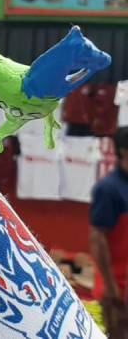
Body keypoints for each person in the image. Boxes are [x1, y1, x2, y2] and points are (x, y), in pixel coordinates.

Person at [90, 126, 128, 338]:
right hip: (117, 288)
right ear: (123, 151)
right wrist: (111, 286)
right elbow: (97, 239)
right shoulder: (108, 189)